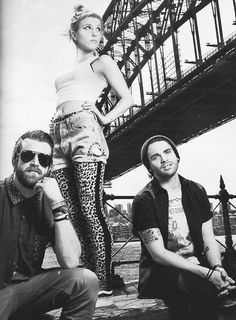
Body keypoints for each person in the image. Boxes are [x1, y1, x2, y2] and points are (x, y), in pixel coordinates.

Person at [49, 4, 133, 296]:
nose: (96, 34)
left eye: (99, 29)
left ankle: (103, 281)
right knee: (71, 212)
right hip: (58, 133)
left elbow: (127, 98)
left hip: (85, 130)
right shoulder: (66, 70)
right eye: (88, 28)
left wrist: (104, 117)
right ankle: (83, 280)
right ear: (74, 33)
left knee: (89, 207)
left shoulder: (103, 62)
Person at [132, 135, 236, 320]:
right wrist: (207, 274)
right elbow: (159, 254)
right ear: (149, 167)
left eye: (167, 152)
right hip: (162, 270)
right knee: (203, 288)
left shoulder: (196, 190)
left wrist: (217, 267)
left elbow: (208, 238)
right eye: (155, 157)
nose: (164, 159)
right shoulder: (144, 200)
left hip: (201, 263)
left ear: (177, 156)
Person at [0, 130, 99, 320]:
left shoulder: (50, 201)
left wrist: (57, 203)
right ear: (15, 160)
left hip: (28, 290)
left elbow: (70, 262)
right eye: (28, 156)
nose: (36, 163)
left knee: (85, 280)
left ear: (49, 168)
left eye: (44, 159)